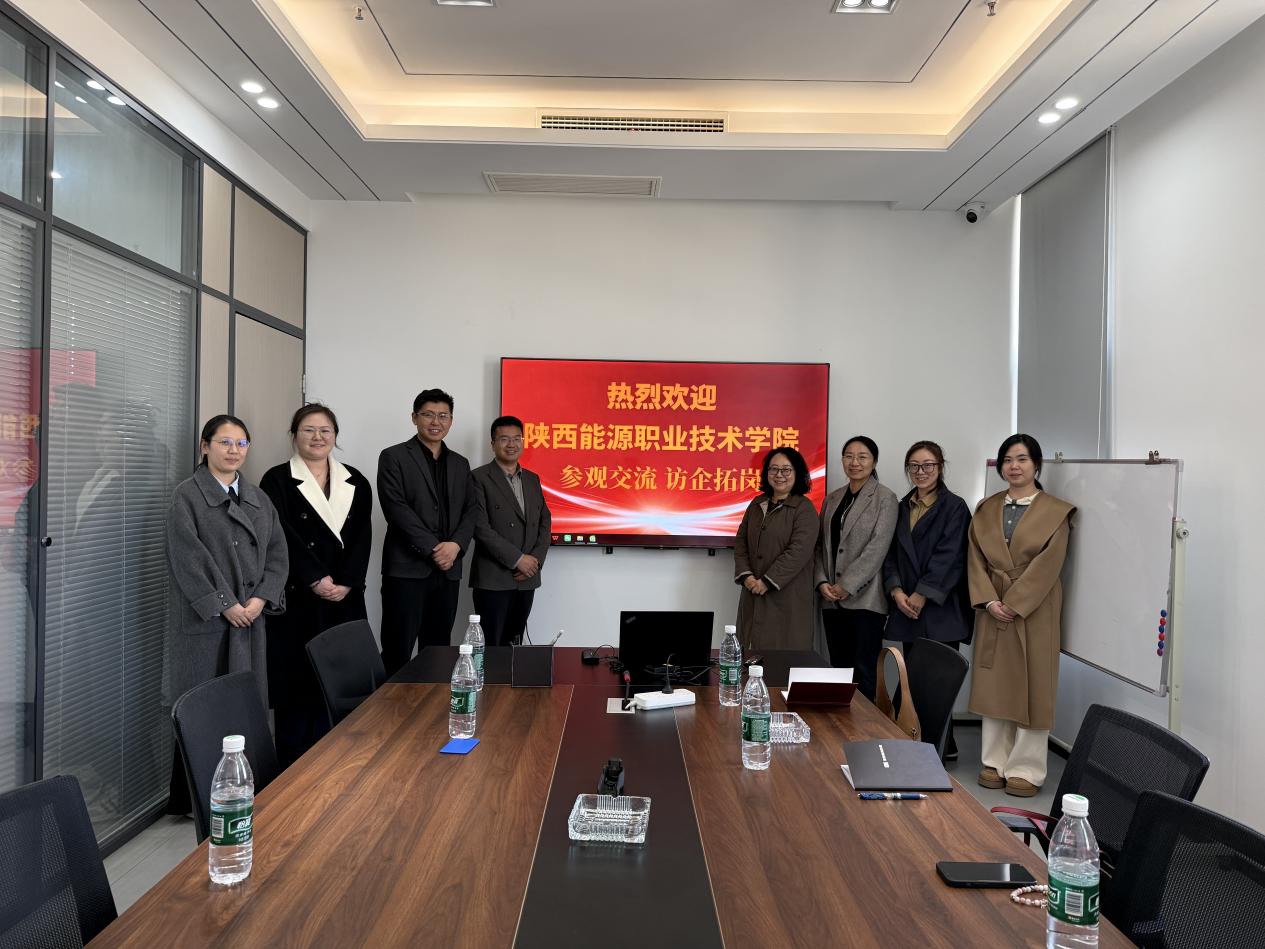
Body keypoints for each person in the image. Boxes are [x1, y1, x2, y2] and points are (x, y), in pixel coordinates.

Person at [166, 414, 287, 808]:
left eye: (241, 443)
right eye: (224, 442)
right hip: (208, 623)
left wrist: (260, 599)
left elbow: (277, 555)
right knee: (204, 708)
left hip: (250, 619)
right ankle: (198, 801)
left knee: (244, 705)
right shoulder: (187, 495)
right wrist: (225, 604)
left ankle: (247, 787)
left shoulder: (258, 498)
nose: (234, 451)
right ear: (205, 446)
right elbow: (187, 559)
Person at [260, 403, 373, 766]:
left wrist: (348, 582)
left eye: (325, 430)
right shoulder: (276, 479)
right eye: (308, 430)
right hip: (299, 597)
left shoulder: (356, 480)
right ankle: (292, 770)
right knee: (297, 687)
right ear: (294, 435)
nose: (317, 437)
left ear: (335, 436)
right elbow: (280, 535)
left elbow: (363, 536)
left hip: (344, 598)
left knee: (342, 684)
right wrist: (313, 577)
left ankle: (339, 765)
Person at [967, 433, 1075, 798]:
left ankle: (1027, 768)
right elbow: (974, 560)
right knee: (994, 684)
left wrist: (1014, 602)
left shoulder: (1057, 511)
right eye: (1008, 460)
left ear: (1037, 465)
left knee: (1035, 686)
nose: (1014, 466)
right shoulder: (986, 508)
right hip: (992, 607)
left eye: (1022, 459)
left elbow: (1050, 564)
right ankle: (994, 761)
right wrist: (988, 601)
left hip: (1035, 609)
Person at [377, 388, 476, 675]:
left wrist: (455, 546)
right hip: (407, 570)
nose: (436, 422)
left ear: (451, 420)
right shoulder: (394, 456)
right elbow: (396, 509)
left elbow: (471, 510)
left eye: (443, 416)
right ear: (414, 417)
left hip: (448, 572)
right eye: (429, 414)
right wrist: (435, 548)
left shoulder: (460, 463)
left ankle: (433, 704)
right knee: (397, 648)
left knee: (438, 650)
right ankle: (392, 705)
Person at [882, 440, 971, 756]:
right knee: (914, 680)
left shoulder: (955, 507)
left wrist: (922, 594)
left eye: (928, 465)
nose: (921, 472)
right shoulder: (901, 507)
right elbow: (890, 554)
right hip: (906, 606)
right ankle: (922, 744)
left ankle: (939, 747)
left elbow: (951, 556)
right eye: (914, 466)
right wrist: (896, 591)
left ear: (940, 467)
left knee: (938, 681)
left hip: (940, 609)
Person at [815, 436, 898, 701]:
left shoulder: (885, 498)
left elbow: (878, 547)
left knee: (864, 671)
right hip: (831, 599)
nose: (855, 462)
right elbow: (820, 546)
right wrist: (821, 582)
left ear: (874, 461)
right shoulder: (832, 499)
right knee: (839, 668)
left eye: (862, 457)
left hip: (866, 600)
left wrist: (847, 585)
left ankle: (866, 726)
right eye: (849, 456)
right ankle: (840, 724)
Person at [469, 415, 552, 647]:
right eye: (504, 439)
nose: (511, 444)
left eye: (517, 438)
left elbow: (545, 522)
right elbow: (479, 527)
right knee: (490, 646)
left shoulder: (532, 479)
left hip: (527, 578)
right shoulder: (478, 478)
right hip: (493, 578)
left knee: (515, 644)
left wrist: (534, 561)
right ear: (493, 444)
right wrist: (518, 560)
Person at [733, 447, 819, 652]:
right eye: (773, 469)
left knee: (784, 655)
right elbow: (741, 542)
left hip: (787, 597)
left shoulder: (804, 508)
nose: (779, 475)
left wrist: (767, 581)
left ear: (797, 473)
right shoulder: (757, 503)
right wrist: (747, 576)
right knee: (750, 653)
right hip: (752, 591)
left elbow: (798, 551)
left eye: (786, 470)